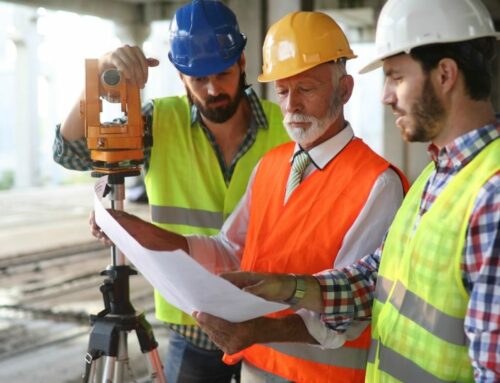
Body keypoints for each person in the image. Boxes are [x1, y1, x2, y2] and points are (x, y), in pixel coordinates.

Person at [92, 11, 408, 383]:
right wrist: (141, 233)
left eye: (306, 89)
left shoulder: (377, 183)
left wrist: (259, 330)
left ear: (345, 90)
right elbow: (231, 250)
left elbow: (353, 309)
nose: (291, 106)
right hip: (255, 370)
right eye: (284, 91)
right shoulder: (271, 166)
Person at [221, 0, 500, 381]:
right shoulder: (434, 177)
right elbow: (372, 280)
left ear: (445, 75)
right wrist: (285, 287)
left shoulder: (492, 195)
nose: (386, 96)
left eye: (396, 77)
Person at [52, 1, 291, 381]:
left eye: (223, 74)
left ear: (242, 62)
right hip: (191, 326)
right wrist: (102, 75)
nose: (213, 89)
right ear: (180, 76)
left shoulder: (287, 128)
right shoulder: (157, 121)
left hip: (269, 325)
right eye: (198, 79)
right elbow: (69, 151)